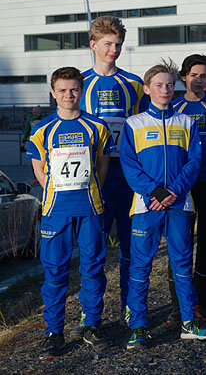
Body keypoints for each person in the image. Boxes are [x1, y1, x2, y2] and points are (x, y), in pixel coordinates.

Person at [119, 60, 206, 349]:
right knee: (141, 266)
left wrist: (173, 190)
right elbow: (129, 164)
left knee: (182, 263)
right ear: (147, 89)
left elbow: (194, 162)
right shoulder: (134, 124)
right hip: (147, 205)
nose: (165, 90)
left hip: (179, 202)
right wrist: (154, 192)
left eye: (169, 85)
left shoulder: (186, 122)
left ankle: (188, 321)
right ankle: (138, 326)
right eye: (158, 85)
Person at [28, 67, 112, 359]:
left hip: (90, 208)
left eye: (74, 89)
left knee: (93, 269)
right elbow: (39, 170)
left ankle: (92, 324)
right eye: (62, 90)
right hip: (56, 211)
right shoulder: (42, 129)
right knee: (54, 272)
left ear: (81, 90)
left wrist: (89, 191)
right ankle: (54, 332)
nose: (69, 95)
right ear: (53, 93)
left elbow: (103, 165)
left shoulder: (97, 126)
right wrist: (58, 192)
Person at [80, 15, 144, 323]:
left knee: (132, 247)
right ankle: (90, 314)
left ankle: (130, 308)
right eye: (107, 44)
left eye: (118, 45)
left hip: (128, 175)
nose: (113, 50)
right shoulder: (80, 83)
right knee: (94, 249)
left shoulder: (133, 84)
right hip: (95, 177)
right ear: (93, 45)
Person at [165, 54, 206, 323]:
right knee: (180, 243)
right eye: (193, 75)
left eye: (204, 76)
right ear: (183, 77)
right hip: (181, 185)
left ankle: (204, 303)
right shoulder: (173, 107)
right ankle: (178, 305)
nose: (198, 80)